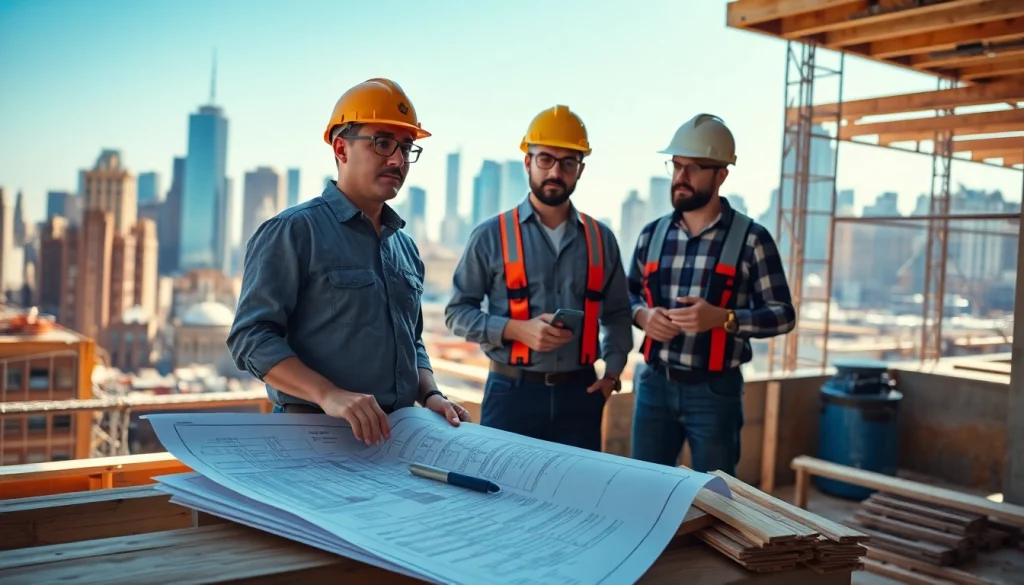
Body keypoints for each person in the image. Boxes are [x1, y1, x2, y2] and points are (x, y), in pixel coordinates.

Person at [226, 78, 471, 446]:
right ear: (341, 148)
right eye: (383, 143)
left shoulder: (405, 248)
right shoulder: (293, 231)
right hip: (313, 436)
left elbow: (411, 340)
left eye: (406, 148)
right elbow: (251, 338)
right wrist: (328, 394)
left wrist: (431, 394)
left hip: (395, 438)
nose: (398, 160)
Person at [444, 105, 634, 451]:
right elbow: (457, 313)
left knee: (577, 495)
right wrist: (516, 329)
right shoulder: (491, 235)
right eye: (545, 159)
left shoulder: (601, 239)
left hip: (582, 394)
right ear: (527, 162)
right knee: (502, 492)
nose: (555, 171)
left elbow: (619, 313)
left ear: (581, 169)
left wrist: (611, 374)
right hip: (511, 393)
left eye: (568, 162)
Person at [627, 113, 796, 475]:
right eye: (676, 166)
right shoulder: (652, 235)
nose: (680, 177)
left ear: (721, 175)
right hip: (654, 385)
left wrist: (725, 319)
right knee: (644, 487)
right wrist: (643, 317)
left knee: (715, 496)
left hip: (715, 392)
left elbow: (783, 313)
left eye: (694, 168)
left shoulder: (752, 239)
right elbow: (626, 298)